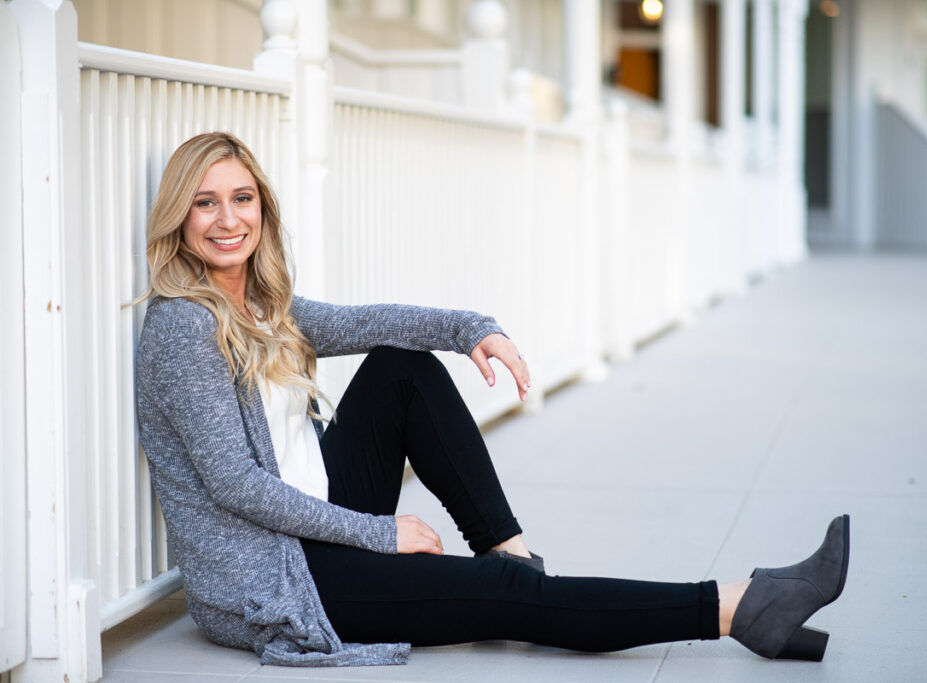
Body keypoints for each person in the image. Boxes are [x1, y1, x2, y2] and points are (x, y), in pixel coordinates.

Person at [134, 131, 850, 668]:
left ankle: (509, 554)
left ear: (262, 208)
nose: (227, 219)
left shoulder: (258, 301)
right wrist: (381, 534)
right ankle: (738, 606)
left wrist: (471, 328)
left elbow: (368, 323)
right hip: (281, 579)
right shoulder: (182, 326)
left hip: (312, 528)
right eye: (204, 203)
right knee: (512, 600)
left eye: (241, 197)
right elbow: (235, 486)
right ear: (179, 218)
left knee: (400, 366)